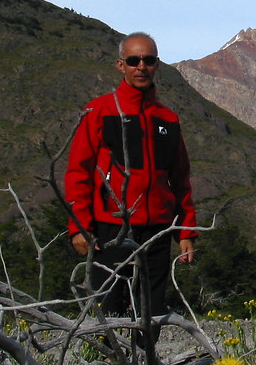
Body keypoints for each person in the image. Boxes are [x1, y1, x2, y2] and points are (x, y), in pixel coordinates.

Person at [65, 31, 196, 321]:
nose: (141, 66)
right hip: (111, 229)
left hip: (158, 230)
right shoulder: (99, 111)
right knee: (107, 311)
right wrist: (78, 225)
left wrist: (185, 231)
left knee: (151, 313)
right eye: (134, 60)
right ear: (120, 65)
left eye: (148, 60)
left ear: (156, 65)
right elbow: (78, 171)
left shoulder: (168, 118)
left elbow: (180, 179)